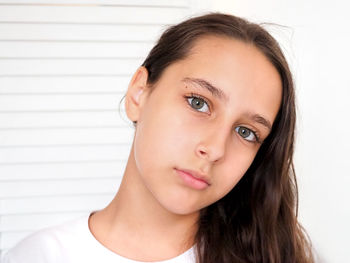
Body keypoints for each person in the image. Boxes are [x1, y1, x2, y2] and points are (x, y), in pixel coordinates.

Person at [1, 13, 314, 263]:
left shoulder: (277, 257)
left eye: (246, 132)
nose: (215, 149)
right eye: (198, 103)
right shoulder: (36, 256)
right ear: (139, 93)